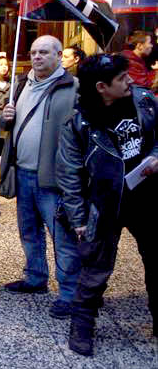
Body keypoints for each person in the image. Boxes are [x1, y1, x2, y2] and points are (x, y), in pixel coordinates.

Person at [57, 53, 158, 355]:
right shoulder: (79, 123)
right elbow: (69, 174)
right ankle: (82, 327)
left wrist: (155, 155)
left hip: (148, 198)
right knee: (96, 269)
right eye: (122, 79)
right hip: (103, 203)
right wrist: (77, 219)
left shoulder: (144, 100)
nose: (131, 81)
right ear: (102, 87)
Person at [0, 35, 81, 319]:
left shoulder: (72, 88)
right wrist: (5, 117)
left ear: (59, 55)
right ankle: (35, 278)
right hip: (23, 172)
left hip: (54, 179)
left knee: (62, 237)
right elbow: (7, 125)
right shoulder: (21, 84)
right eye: (33, 52)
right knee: (29, 231)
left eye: (44, 52)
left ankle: (70, 294)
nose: (37, 57)